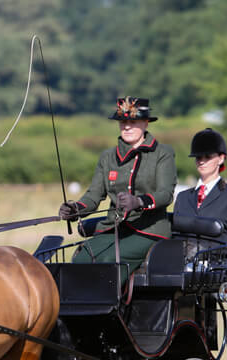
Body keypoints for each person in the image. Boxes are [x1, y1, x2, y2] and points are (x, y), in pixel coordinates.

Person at [58, 96, 176, 280]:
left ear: (146, 123)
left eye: (133, 122)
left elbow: (166, 194)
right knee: (81, 259)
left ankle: (109, 299)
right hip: (113, 228)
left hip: (149, 231)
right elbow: (93, 196)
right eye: (122, 122)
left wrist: (138, 202)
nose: (126, 127)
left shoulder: (163, 154)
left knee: (109, 261)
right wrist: (75, 209)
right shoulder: (107, 157)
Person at [172, 128, 227, 257]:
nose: (201, 161)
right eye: (198, 157)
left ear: (221, 159)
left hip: (217, 263)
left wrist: (202, 251)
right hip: (185, 264)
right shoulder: (182, 197)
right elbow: (176, 235)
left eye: (207, 157)